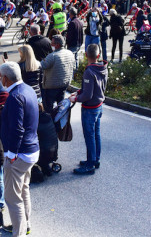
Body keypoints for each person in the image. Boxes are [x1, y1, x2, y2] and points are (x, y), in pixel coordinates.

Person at [0, 62, 39, 237]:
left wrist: (11, 155)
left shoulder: (14, 97)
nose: (0, 80)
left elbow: (17, 129)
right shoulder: (27, 89)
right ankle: (24, 225)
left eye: (0, 77)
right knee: (23, 190)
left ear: (5, 78)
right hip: (31, 150)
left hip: (19, 153)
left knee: (12, 198)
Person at [70, 44, 108, 175]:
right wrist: (79, 91)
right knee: (96, 134)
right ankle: (95, 159)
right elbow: (95, 88)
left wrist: (76, 98)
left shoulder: (89, 71)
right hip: (99, 106)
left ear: (86, 55)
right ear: (98, 55)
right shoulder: (103, 68)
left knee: (89, 136)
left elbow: (87, 95)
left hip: (90, 108)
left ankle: (90, 164)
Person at [39, 35, 75, 114]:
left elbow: (41, 66)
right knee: (60, 107)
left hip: (51, 87)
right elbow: (74, 67)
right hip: (64, 85)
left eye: (52, 43)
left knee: (48, 108)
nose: (50, 45)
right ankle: (58, 123)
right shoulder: (70, 53)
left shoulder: (52, 56)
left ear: (57, 45)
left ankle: (50, 124)